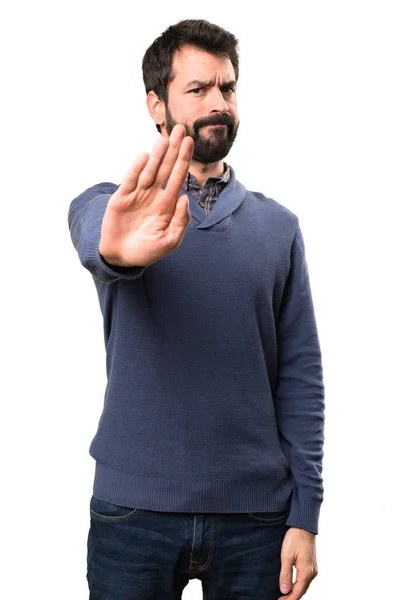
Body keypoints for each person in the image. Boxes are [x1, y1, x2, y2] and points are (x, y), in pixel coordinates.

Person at [68, 18, 325, 600]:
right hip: (133, 515)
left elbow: (301, 378)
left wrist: (305, 514)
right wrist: (113, 248)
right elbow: (94, 233)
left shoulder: (278, 228)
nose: (219, 102)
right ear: (156, 105)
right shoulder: (111, 207)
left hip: (257, 521)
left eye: (227, 88)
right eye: (198, 89)